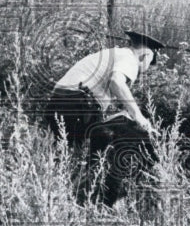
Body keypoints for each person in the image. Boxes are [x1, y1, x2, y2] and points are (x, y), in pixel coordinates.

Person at [45, 30, 165, 205]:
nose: (144, 71)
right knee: (134, 133)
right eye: (149, 63)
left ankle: (81, 199)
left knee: (81, 156)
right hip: (77, 104)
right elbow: (117, 81)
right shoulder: (129, 57)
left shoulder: (111, 54)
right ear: (146, 55)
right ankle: (110, 201)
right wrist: (139, 118)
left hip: (61, 104)